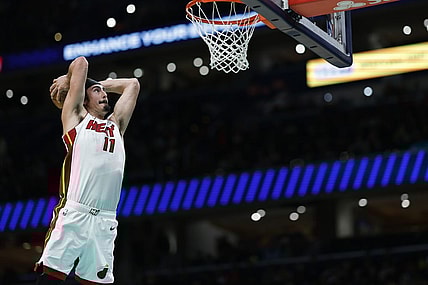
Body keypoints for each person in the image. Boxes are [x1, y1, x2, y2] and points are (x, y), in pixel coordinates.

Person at [34, 56, 140, 284]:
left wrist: (99, 83)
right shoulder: (75, 119)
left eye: (104, 92)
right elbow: (81, 62)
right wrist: (72, 80)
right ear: (83, 98)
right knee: (50, 277)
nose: (104, 94)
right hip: (75, 213)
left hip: (105, 220)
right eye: (97, 91)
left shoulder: (117, 125)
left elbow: (132, 84)